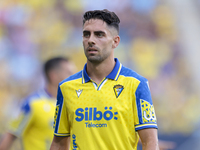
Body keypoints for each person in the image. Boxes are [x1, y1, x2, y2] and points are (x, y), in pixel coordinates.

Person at [50, 9, 159, 150]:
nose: (91, 40)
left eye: (99, 35)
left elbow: (150, 142)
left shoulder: (136, 84)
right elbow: (59, 143)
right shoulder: (66, 87)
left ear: (115, 41)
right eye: (86, 34)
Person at [0, 57, 76, 150]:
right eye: (69, 73)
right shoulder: (32, 103)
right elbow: (10, 135)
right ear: (53, 76)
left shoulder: (73, 104)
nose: (75, 77)